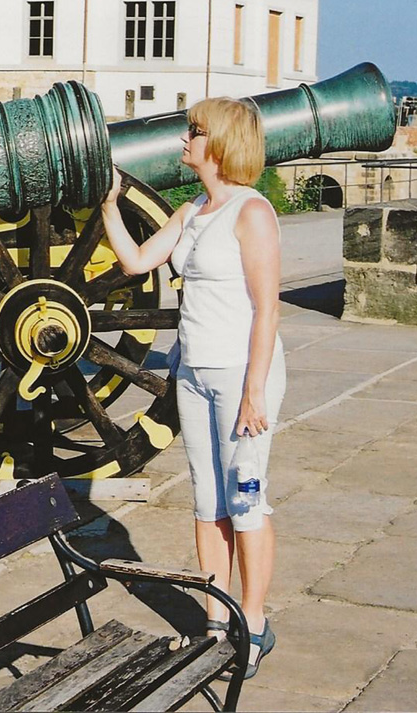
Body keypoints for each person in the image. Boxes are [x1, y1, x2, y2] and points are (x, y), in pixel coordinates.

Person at [100, 97, 285, 678]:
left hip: (240, 377)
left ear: (221, 143)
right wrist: (108, 203)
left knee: (246, 501)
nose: (184, 140)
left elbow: (267, 310)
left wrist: (255, 391)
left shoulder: (251, 213)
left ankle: (252, 626)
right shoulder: (193, 210)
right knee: (208, 503)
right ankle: (214, 621)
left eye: (194, 131)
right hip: (195, 375)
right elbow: (135, 262)